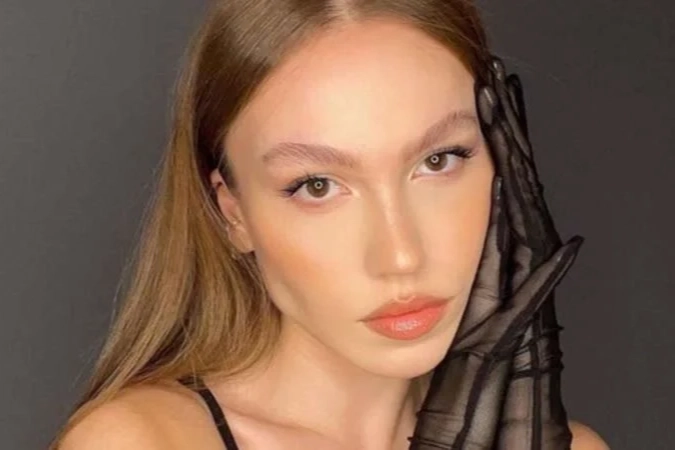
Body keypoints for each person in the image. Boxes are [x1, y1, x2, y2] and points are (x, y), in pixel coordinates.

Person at [52, 1, 609, 449]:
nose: (400, 255)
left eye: (438, 160)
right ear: (232, 213)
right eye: (317, 185)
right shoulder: (143, 441)